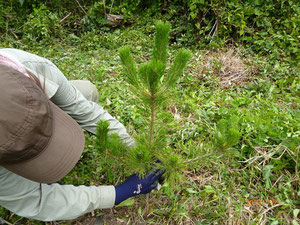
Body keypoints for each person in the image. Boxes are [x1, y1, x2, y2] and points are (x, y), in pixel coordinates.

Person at [0, 48, 163, 222]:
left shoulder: (30, 67)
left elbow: (88, 113)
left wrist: (136, 149)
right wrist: (118, 193)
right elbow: (38, 201)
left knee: (87, 91)